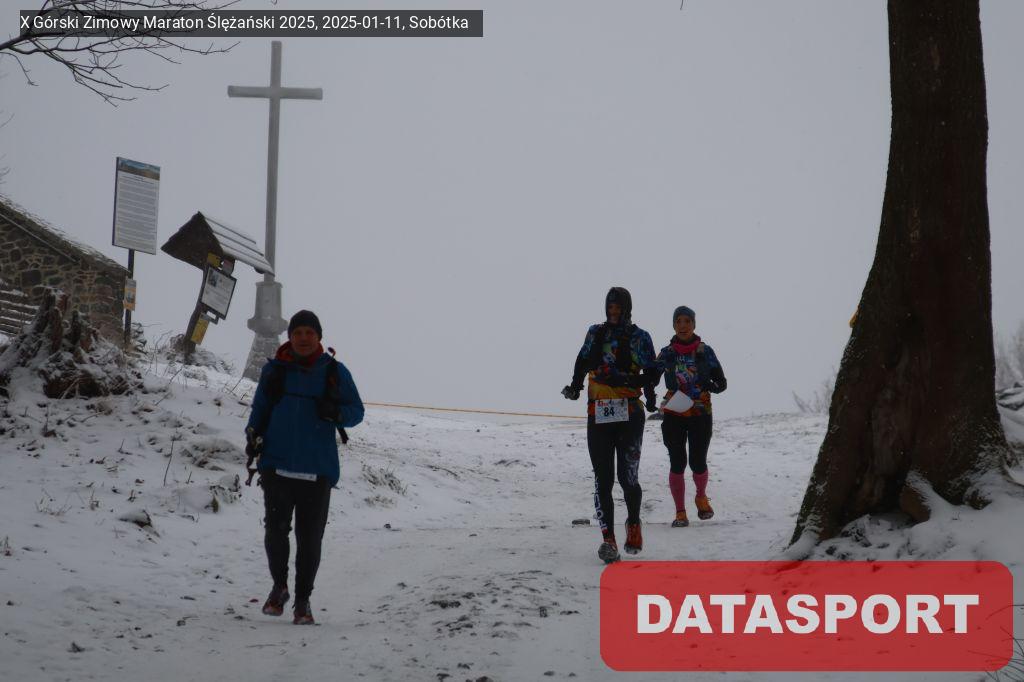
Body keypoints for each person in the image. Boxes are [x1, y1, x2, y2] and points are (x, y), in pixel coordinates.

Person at [246, 310, 364, 624]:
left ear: (319, 337)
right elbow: (260, 409)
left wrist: (336, 413)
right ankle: (279, 587)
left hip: (318, 469)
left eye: (309, 333)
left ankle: (303, 601)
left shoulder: (334, 371)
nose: (303, 338)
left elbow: (357, 411)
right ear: (290, 336)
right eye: (297, 332)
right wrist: (252, 436)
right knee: (275, 532)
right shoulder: (275, 371)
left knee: (309, 539)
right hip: (277, 465)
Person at [562, 287, 659, 563]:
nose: (614, 312)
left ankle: (634, 523)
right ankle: (609, 540)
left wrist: (645, 394)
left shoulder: (640, 337)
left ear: (627, 308)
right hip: (599, 413)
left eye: (618, 307)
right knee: (602, 480)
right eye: (610, 307)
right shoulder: (595, 333)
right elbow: (582, 360)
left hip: (630, 413)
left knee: (628, 479)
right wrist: (575, 386)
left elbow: (652, 373)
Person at [655, 306, 727, 527]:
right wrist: (647, 396)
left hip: (700, 412)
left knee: (697, 462)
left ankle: (701, 496)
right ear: (673, 325)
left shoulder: (706, 352)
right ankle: (680, 512)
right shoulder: (666, 353)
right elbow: (650, 377)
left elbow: (722, 383)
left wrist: (709, 385)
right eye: (678, 321)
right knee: (677, 462)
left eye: (687, 321)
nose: (683, 325)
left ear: (694, 325)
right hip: (674, 413)